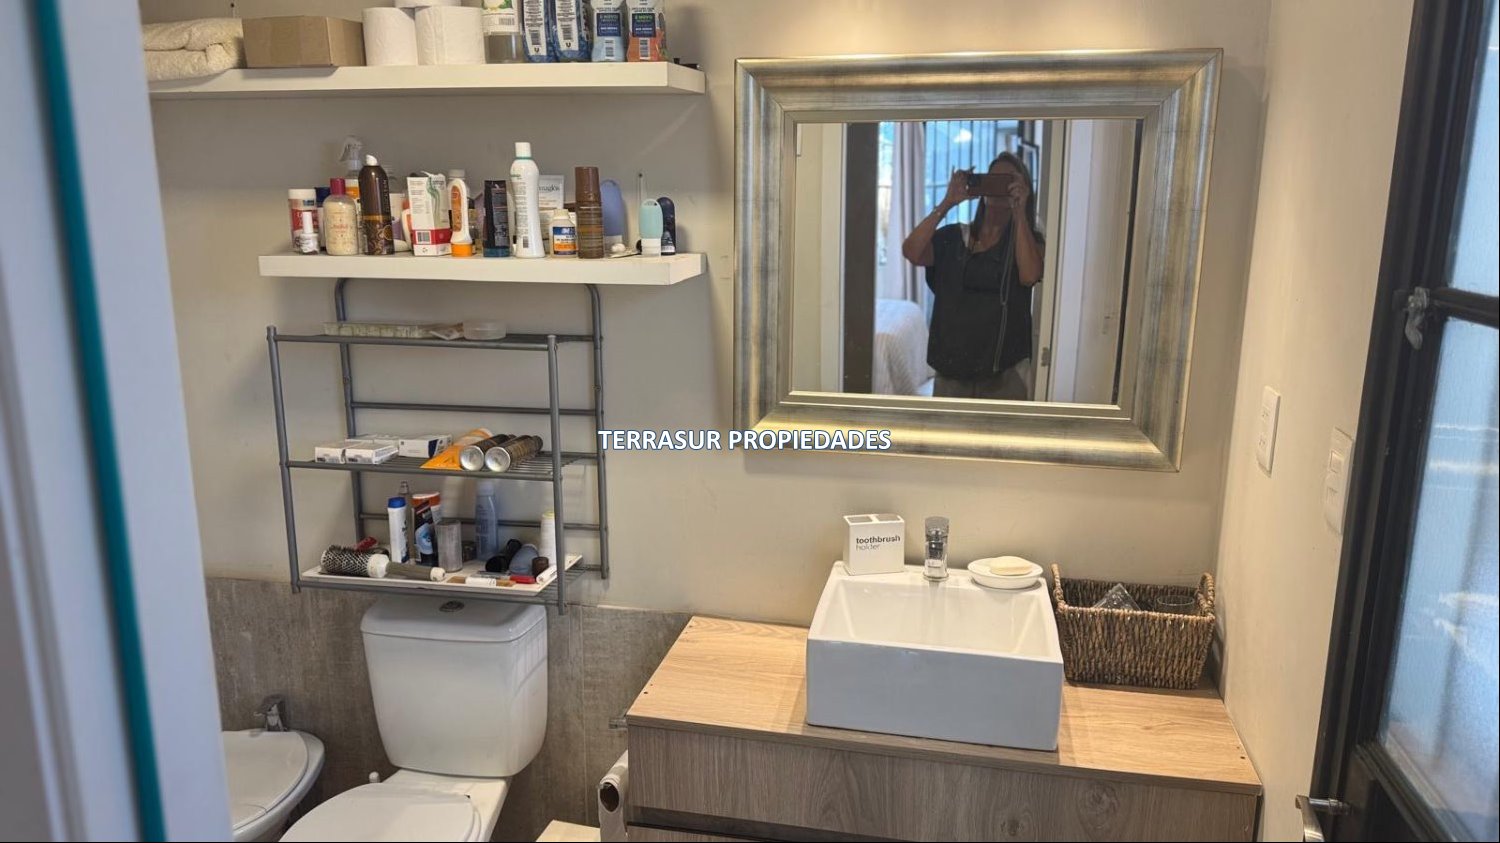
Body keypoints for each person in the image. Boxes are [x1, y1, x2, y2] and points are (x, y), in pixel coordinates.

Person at [901, 152, 1044, 400]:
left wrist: (1020, 212)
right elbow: (911, 251)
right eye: (993, 179)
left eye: (1007, 181)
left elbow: (1030, 275)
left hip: (1005, 374)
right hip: (951, 371)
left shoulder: (1028, 243)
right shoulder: (954, 237)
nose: (999, 187)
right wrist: (947, 202)